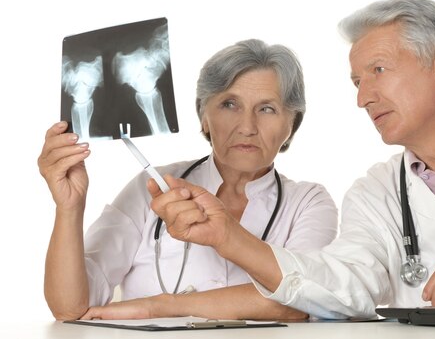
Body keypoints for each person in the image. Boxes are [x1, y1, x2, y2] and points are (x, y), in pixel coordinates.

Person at [146, 0, 435, 319]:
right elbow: (345, 287)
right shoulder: (376, 193)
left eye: (377, 71)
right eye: (356, 80)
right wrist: (227, 237)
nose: (361, 98)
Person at [38, 39, 338, 321]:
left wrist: (158, 306)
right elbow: (69, 308)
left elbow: (303, 300)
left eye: (267, 108)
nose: (247, 126)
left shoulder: (308, 202)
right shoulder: (150, 189)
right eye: (229, 104)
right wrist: (69, 208)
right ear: (204, 116)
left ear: (292, 124)